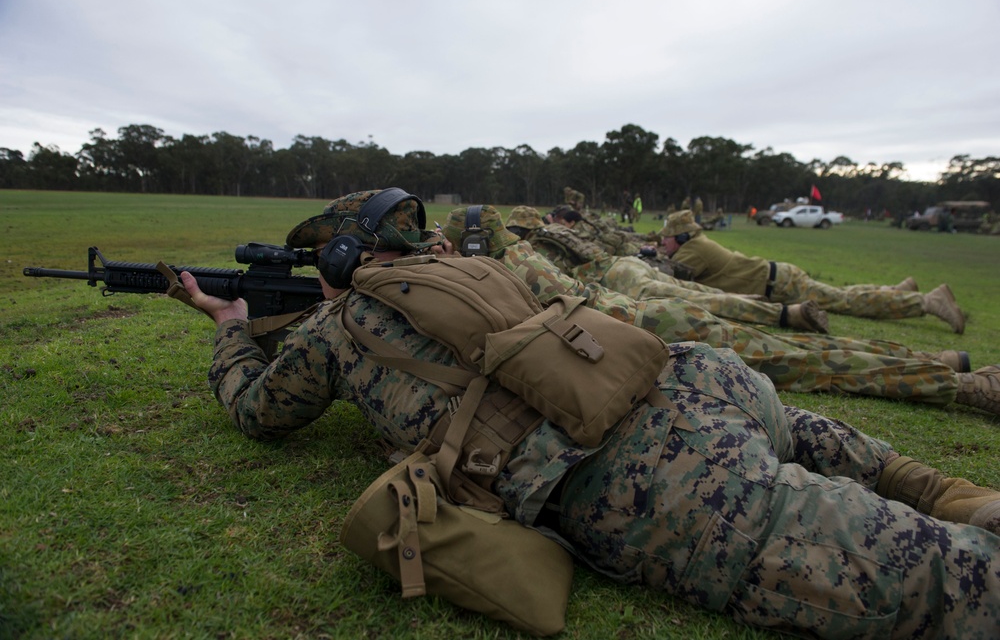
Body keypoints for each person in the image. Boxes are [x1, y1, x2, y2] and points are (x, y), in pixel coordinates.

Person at [178, 189, 1000, 639]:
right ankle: (947, 489)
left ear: (342, 257)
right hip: (693, 380)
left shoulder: (337, 326)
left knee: (948, 581)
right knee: (815, 443)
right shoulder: (480, 266)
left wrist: (230, 330)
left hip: (647, 477)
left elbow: (259, 410)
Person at [441, 205, 1000, 415]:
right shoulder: (518, 254)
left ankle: (961, 384)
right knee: (807, 354)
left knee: (812, 364)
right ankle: (950, 363)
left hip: (641, 329)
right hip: (647, 316)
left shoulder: (494, 268)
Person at [505, 205, 830, 333]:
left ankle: (786, 316)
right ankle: (776, 306)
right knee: (701, 292)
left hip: (616, 279)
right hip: (626, 265)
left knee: (698, 302)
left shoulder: (532, 249)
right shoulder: (558, 234)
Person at [660, 210, 967, 333]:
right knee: (842, 295)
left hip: (780, 285)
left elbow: (668, 280)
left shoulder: (693, 250)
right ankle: (896, 292)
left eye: (667, 238)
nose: (663, 243)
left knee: (844, 302)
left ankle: (926, 302)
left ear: (683, 237)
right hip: (778, 278)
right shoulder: (695, 244)